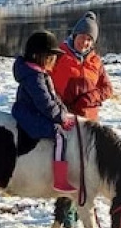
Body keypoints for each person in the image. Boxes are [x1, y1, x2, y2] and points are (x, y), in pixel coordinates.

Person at [48, 11, 114, 228]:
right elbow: (46, 82)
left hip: (89, 125)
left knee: (86, 173)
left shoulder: (95, 61)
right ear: (74, 35)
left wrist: (90, 97)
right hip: (65, 121)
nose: (85, 42)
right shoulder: (59, 55)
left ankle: (75, 212)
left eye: (89, 39)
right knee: (68, 172)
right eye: (82, 37)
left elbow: (107, 88)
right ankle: (62, 216)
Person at [11, 30, 77, 194]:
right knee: (59, 134)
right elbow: (45, 104)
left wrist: (64, 113)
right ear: (38, 56)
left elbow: (54, 98)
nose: (54, 60)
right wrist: (61, 118)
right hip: (29, 115)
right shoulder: (34, 78)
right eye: (51, 56)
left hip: (36, 111)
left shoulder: (40, 74)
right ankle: (60, 179)